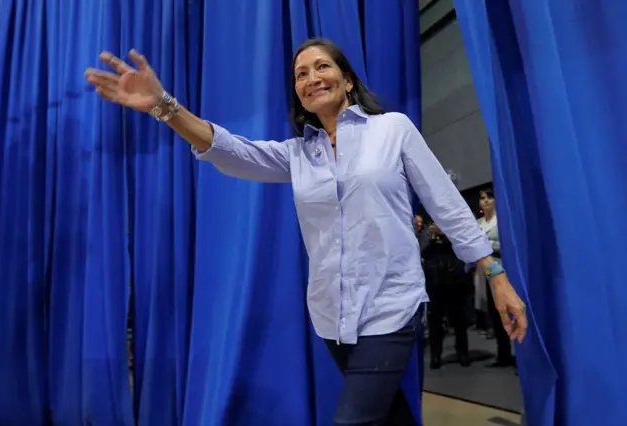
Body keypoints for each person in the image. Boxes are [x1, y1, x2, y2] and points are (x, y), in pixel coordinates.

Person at [85, 38, 527, 426]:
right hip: (331, 315)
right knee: (388, 414)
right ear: (298, 91)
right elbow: (229, 150)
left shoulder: (392, 129)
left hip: (391, 306)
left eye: (322, 67)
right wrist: (164, 106)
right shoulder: (299, 154)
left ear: (347, 80)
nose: (311, 77)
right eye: (301, 73)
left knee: (353, 419)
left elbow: (445, 202)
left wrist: (495, 276)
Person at [423, 222, 472, 369]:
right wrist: (432, 239)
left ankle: (463, 352)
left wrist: (445, 233)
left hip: (454, 281)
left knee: (459, 320)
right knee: (435, 323)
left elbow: (461, 249)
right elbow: (423, 253)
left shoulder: (453, 231)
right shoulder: (428, 233)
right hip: (434, 283)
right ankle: (435, 355)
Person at [474, 188, 515, 368]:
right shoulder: (478, 223)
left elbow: (508, 244)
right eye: (482, 198)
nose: (486, 201)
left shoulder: (502, 220)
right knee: (495, 314)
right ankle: (503, 354)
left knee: (510, 311)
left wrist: (488, 244)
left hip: (501, 269)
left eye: (489, 197)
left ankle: (520, 357)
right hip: (485, 274)